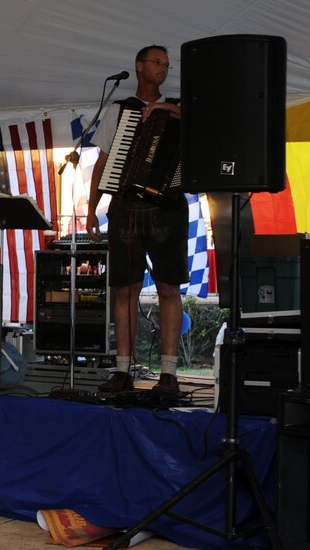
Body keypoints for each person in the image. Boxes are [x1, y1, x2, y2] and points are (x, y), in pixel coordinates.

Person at [86, 45, 186, 395]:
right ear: (139, 66)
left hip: (167, 208)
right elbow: (103, 162)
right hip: (126, 208)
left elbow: (206, 124)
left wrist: (166, 109)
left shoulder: (179, 107)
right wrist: (92, 209)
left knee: (168, 287)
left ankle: (169, 373)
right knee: (125, 289)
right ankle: (122, 370)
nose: (163, 68)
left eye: (167, 64)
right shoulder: (120, 109)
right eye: (157, 62)